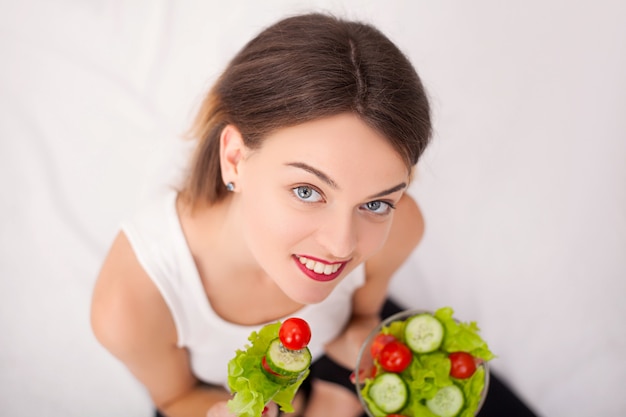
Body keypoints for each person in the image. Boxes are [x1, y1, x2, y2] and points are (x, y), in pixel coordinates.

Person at [91, 12, 536, 417]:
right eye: (307, 191)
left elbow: (362, 316)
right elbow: (174, 397)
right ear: (234, 158)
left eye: (376, 203)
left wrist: (349, 369)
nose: (342, 246)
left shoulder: (401, 229)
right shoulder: (133, 302)